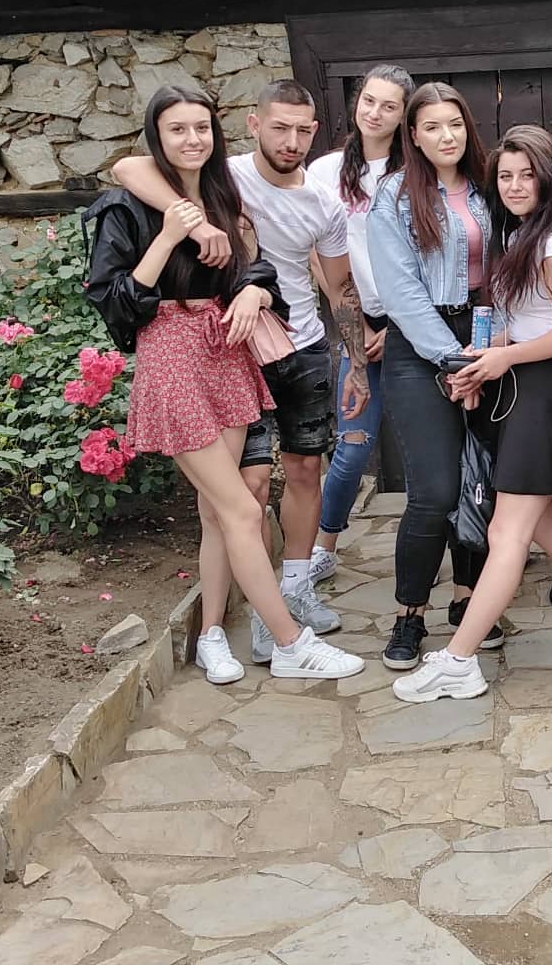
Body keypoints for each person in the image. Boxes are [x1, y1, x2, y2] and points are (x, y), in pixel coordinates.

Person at [83, 85, 364, 683]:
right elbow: (116, 304)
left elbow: (257, 270)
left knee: (217, 513)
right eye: (177, 129)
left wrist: (255, 289)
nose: (192, 140)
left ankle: (211, 635)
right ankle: (289, 643)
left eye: (201, 128)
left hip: (227, 355)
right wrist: (171, 233)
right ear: (157, 135)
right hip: (172, 360)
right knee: (241, 507)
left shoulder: (224, 197)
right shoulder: (126, 208)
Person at [392, 126, 552, 701]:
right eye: (505, 175)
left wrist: (504, 357)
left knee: (508, 529)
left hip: (548, 390)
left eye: (527, 174)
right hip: (528, 384)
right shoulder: (525, 236)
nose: (514, 185)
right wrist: (482, 361)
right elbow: (526, 323)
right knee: (540, 523)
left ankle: (458, 659)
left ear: (549, 178)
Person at [367, 82, 497, 671]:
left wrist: (486, 351)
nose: (447, 136)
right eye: (432, 127)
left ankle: (469, 599)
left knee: (482, 479)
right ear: (413, 137)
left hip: (486, 341)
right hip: (420, 349)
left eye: (455, 124)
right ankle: (410, 612)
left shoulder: (489, 186)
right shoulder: (394, 196)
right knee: (435, 490)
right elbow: (400, 292)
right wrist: (452, 359)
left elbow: (505, 271)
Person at [305, 64, 413, 579]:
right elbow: (317, 256)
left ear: (403, 115)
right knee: (352, 446)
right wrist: (357, 332)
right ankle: (323, 547)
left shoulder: (413, 173)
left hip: (414, 324)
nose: (375, 112)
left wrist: (400, 329)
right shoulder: (325, 171)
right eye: (369, 100)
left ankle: (454, 544)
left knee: (433, 450)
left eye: (389, 106)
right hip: (354, 319)